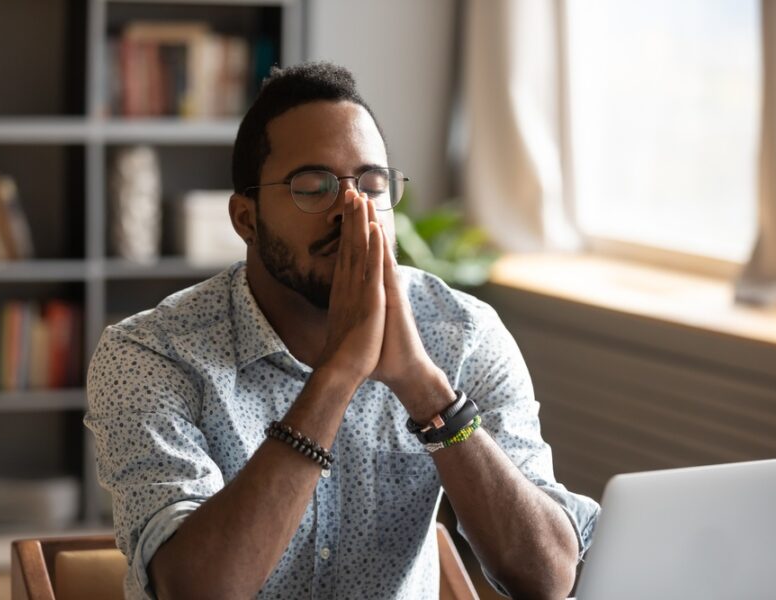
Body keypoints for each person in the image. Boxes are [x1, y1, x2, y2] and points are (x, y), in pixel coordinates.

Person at [85, 62, 599, 600]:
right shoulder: (150, 354)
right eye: (313, 187)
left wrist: (425, 389)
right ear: (246, 219)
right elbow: (196, 592)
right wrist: (337, 376)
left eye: (372, 185)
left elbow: (547, 579)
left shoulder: (461, 332)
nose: (353, 210)